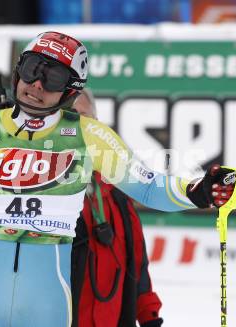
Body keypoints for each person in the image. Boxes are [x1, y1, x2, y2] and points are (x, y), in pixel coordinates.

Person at [0, 31, 236, 327]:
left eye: (53, 76)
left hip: (48, 301)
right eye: (32, 70)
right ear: (17, 71)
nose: (37, 85)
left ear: (71, 89)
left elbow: (149, 186)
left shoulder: (90, 136)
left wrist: (197, 190)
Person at [70, 90, 163, 327]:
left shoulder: (119, 192)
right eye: (69, 116)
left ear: (97, 126)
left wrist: (149, 315)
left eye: (85, 116)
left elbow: (138, 264)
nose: (79, 125)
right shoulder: (42, 191)